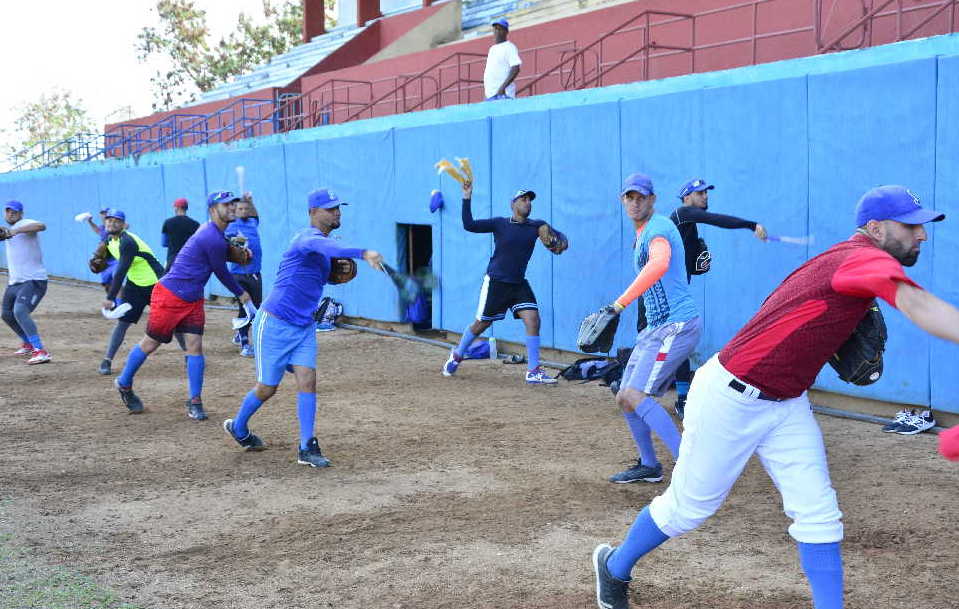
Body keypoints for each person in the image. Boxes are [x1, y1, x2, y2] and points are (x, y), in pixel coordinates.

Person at [592, 185, 957, 609]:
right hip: (730, 398)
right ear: (875, 228)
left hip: (786, 403)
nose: (922, 235)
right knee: (687, 509)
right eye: (911, 226)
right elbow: (919, 305)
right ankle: (614, 567)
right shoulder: (861, 257)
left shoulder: (844, 259)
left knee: (818, 513)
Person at [223, 188, 383, 467]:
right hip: (274, 323)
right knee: (267, 388)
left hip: (303, 326)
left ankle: (307, 446)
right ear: (313, 213)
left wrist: (335, 276)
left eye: (338, 208)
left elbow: (320, 270)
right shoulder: (307, 238)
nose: (336, 212)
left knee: (308, 379)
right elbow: (327, 248)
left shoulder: (323, 248)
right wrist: (362, 252)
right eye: (330, 208)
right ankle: (238, 426)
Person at [113, 191, 251, 419]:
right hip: (170, 295)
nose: (231, 208)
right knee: (151, 344)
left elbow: (220, 250)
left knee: (195, 346)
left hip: (193, 297)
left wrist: (234, 247)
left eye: (233, 204)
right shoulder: (210, 235)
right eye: (225, 205)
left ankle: (195, 400)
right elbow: (220, 270)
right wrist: (241, 294)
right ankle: (124, 383)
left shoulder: (215, 233)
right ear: (212, 210)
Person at [604, 173, 702, 485]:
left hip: (677, 324)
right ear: (623, 201)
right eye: (629, 197)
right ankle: (649, 465)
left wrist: (619, 304)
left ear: (652, 199)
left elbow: (659, 264)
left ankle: (690, 470)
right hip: (656, 328)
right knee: (624, 396)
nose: (635, 202)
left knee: (635, 393)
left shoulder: (658, 228)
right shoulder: (643, 232)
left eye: (641, 197)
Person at [660, 178, 768, 419]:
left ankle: (639, 384)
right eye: (699, 193)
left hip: (674, 294)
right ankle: (679, 397)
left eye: (706, 192)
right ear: (687, 198)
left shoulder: (687, 224)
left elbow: (686, 264)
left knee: (672, 343)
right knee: (672, 343)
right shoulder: (683, 213)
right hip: (663, 295)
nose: (705, 196)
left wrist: (696, 266)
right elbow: (716, 220)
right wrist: (751, 225)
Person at [441, 179, 560, 384]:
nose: (527, 203)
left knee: (533, 319)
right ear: (513, 204)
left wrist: (557, 241)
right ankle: (458, 354)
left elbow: (557, 242)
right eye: (523, 199)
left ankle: (533, 370)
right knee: (481, 324)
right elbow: (469, 225)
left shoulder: (536, 226)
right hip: (497, 282)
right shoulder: (500, 223)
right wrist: (466, 197)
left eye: (529, 200)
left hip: (518, 283)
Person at [96, 209, 165, 376]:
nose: (111, 223)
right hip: (135, 285)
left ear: (123, 225)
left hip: (156, 283)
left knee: (170, 321)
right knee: (123, 322)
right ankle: (107, 360)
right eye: (109, 220)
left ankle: (189, 354)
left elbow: (120, 272)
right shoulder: (108, 239)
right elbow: (108, 260)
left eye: (116, 221)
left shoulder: (127, 242)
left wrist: (110, 298)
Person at [1, 200, 50, 364]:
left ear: (21, 213)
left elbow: (41, 226)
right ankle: (28, 343)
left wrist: (15, 230)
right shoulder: (7, 231)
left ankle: (41, 351)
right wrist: (8, 232)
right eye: (7, 211)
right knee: (6, 314)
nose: (10, 214)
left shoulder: (25, 223)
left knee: (20, 311)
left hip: (34, 280)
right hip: (15, 282)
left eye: (14, 211)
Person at [224, 193, 262, 357]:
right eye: (240, 208)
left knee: (257, 308)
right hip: (239, 274)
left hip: (254, 274)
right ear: (235, 210)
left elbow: (256, 215)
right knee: (245, 308)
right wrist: (236, 244)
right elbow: (225, 244)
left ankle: (241, 333)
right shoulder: (232, 226)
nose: (244, 211)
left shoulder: (252, 222)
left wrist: (251, 201)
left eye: (246, 208)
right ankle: (246, 345)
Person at [483, 18, 521, 101]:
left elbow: (516, 68)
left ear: (506, 32)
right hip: (490, 95)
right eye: (495, 29)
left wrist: (502, 88)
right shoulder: (492, 49)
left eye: (500, 29)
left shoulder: (509, 47)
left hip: (503, 94)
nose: (497, 31)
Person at [83, 208, 118, 295]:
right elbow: (97, 230)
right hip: (105, 258)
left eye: (105, 213)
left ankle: (119, 301)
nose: (103, 215)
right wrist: (90, 221)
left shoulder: (114, 226)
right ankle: (113, 301)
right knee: (107, 283)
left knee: (117, 280)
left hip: (115, 257)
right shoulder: (103, 228)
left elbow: (125, 226)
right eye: (102, 213)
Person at [161, 197, 200, 272]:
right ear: (186, 208)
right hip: (190, 261)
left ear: (176, 208)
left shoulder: (168, 222)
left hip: (172, 261)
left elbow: (164, 243)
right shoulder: (195, 224)